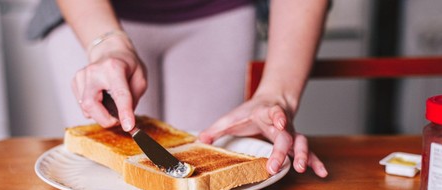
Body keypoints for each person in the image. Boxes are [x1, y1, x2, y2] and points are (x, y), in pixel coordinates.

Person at [27, 0, 329, 178]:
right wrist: (106, 45)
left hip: (219, 12)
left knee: (207, 173)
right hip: (94, 14)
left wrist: (277, 94)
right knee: (101, 175)